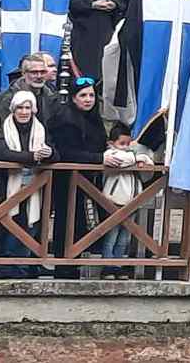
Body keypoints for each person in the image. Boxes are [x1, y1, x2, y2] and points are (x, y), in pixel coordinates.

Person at [47, 76, 114, 277]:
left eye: (91, 95)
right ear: (74, 98)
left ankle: (77, 262)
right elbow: (66, 152)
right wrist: (100, 158)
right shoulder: (65, 119)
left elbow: (99, 142)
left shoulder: (94, 119)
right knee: (67, 219)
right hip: (67, 180)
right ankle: (64, 265)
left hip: (89, 180)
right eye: (83, 95)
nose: (88, 99)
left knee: (84, 221)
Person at [0, 91, 54, 277]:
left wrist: (48, 153)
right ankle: (6, 269)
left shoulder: (41, 128)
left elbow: (55, 152)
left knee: (30, 225)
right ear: (13, 109)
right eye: (20, 107)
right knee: (9, 225)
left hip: (35, 186)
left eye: (28, 107)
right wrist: (32, 157)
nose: (24, 111)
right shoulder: (4, 127)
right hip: (9, 186)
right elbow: (2, 152)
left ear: (33, 110)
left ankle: (23, 268)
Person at [100, 122, 153, 279]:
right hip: (114, 200)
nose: (126, 147)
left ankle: (118, 265)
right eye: (122, 144)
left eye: (128, 143)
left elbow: (149, 165)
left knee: (124, 238)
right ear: (111, 143)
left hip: (132, 202)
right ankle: (107, 266)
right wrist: (139, 158)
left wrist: (140, 159)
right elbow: (121, 160)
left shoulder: (131, 156)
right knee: (111, 236)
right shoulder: (110, 155)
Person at [0, 54, 59, 132]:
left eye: (42, 72)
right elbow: (1, 131)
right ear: (23, 73)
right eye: (34, 72)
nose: (39, 76)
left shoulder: (51, 97)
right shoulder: (7, 98)